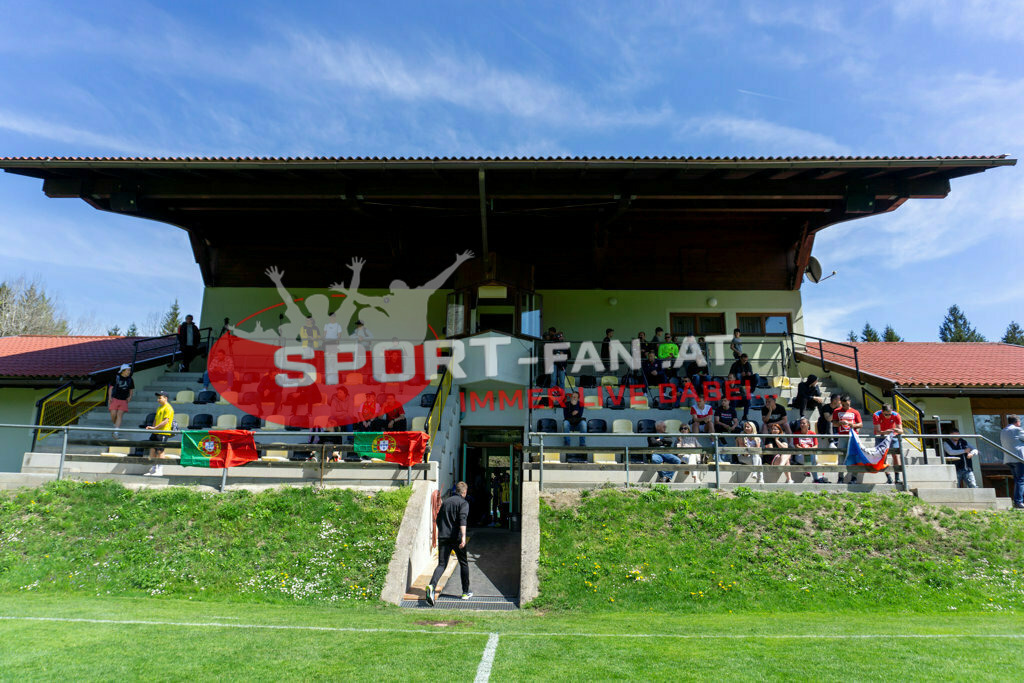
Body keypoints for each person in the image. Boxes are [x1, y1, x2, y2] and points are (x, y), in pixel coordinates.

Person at [425, 481, 472, 605]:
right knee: (463, 563)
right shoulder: (463, 503)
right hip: (456, 537)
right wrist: (463, 537)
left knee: (441, 564)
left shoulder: (446, 502)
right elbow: (463, 520)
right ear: (464, 492)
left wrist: (442, 533)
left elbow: (438, 519)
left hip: (443, 537)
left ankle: (431, 586)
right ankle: (465, 592)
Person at [833, 395, 863, 484]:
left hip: (853, 437)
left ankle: (854, 478)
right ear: (841, 403)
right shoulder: (836, 411)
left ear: (850, 402)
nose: (845, 406)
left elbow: (860, 424)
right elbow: (834, 423)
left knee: (855, 456)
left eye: (847, 404)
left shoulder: (855, 412)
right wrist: (839, 423)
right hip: (842, 436)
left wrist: (852, 425)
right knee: (841, 457)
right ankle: (840, 478)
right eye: (843, 405)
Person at [144, 391, 175, 475]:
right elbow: (156, 419)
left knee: (160, 451)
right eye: (157, 398)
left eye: (160, 398)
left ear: (166, 398)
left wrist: (155, 428)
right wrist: (153, 429)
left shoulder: (168, 408)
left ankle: (160, 470)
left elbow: (165, 421)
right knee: (152, 449)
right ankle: (153, 469)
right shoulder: (159, 408)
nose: (158, 399)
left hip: (163, 432)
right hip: (156, 432)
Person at [873, 403, 904, 485]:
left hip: (893, 436)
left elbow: (901, 430)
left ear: (892, 411)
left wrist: (894, 430)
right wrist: (887, 431)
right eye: (886, 414)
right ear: (882, 411)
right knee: (883, 456)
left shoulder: (896, 415)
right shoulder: (876, 415)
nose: (888, 416)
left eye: (889, 414)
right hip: (881, 436)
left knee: (896, 455)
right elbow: (878, 431)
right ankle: (889, 477)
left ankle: (897, 477)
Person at [999, 415, 1024, 509]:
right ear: (1017, 422)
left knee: (1018, 480)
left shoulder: (1003, 431)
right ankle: (1019, 502)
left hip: (1008, 459)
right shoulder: (1017, 430)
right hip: (1018, 458)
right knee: (1021, 480)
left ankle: (1017, 501)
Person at [794, 417, 828, 483]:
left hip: (811, 454)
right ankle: (816, 479)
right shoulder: (796, 434)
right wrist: (804, 450)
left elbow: (816, 446)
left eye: (804, 423)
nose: (802, 425)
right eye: (801, 423)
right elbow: (796, 446)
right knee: (812, 460)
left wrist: (809, 449)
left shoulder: (812, 434)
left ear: (808, 425)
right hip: (800, 455)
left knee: (812, 457)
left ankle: (808, 471)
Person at [728, 354, 759, 419]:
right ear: (741, 359)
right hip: (738, 382)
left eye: (746, 360)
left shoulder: (748, 364)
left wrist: (749, 373)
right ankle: (733, 417)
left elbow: (742, 393)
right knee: (738, 375)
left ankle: (745, 415)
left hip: (746, 381)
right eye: (744, 360)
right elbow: (732, 374)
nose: (745, 361)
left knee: (756, 376)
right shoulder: (735, 364)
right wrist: (740, 374)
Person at [108, 364, 134, 437]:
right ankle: (115, 424)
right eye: (128, 370)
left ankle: (116, 431)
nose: (129, 372)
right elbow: (111, 388)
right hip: (115, 398)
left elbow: (131, 389)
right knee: (113, 414)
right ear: (123, 371)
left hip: (123, 400)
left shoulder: (130, 379)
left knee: (119, 415)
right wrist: (110, 397)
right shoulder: (116, 378)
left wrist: (130, 397)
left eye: (129, 370)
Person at [562, 391, 587, 459]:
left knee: (583, 424)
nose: (573, 398)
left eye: (575, 397)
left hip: (577, 423)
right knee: (565, 423)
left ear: (578, 398)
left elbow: (579, 415)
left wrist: (575, 405)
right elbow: (565, 416)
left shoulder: (581, 404)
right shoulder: (566, 404)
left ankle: (582, 444)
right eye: (572, 396)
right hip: (569, 422)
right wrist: (572, 413)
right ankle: (567, 443)